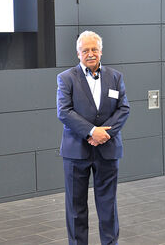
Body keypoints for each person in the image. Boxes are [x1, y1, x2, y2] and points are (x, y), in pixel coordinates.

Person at [56, 30, 130, 245]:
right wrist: (91, 131)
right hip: (76, 152)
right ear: (78, 53)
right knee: (76, 208)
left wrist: (103, 134)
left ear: (101, 52)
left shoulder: (115, 77)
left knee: (108, 206)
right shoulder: (66, 78)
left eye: (94, 49)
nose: (90, 54)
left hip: (107, 149)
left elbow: (123, 109)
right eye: (85, 50)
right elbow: (64, 111)